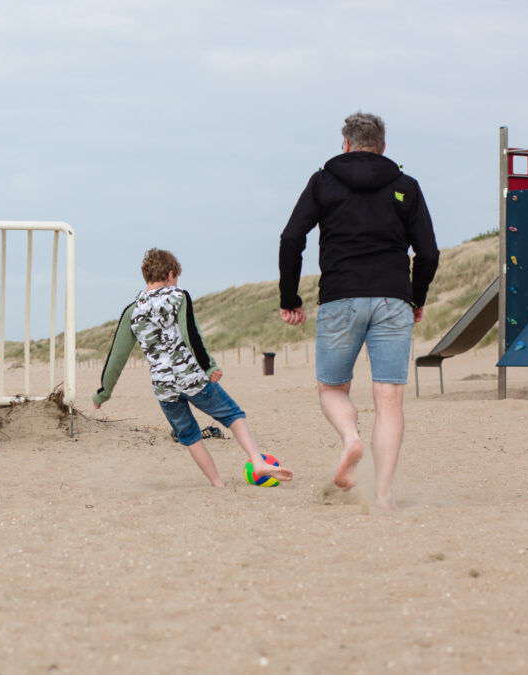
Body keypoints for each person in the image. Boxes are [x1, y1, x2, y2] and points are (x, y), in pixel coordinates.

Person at [278, 112, 439, 510]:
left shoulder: (323, 182)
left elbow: (291, 238)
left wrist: (289, 297)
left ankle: (351, 439)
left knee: (332, 389)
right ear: (383, 147)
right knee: (389, 402)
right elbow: (429, 253)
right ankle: (383, 497)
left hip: (340, 297)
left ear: (345, 144)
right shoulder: (406, 186)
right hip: (392, 299)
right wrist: (415, 298)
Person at [93, 248, 293, 488]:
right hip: (191, 378)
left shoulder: (132, 311)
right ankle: (257, 460)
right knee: (232, 415)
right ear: (170, 274)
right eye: (176, 277)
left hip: (164, 388)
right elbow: (192, 335)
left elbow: (117, 356)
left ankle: (218, 483)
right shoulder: (178, 296)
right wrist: (209, 367)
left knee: (190, 436)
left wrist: (103, 392)